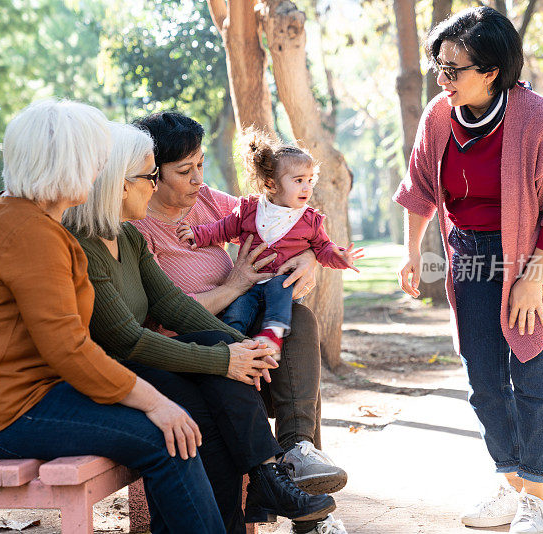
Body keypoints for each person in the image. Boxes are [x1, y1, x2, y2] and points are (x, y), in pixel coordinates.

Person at [0, 99, 224, 534]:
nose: (100, 170)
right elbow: (69, 349)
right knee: (167, 437)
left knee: (175, 427)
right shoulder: (30, 232)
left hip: (35, 396)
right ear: (67, 164)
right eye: (94, 159)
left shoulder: (26, 216)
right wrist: (155, 401)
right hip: (5, 415)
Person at [61, 121, 336, 533]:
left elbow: (172, 302)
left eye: (199, 166)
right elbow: (131, 338)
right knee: (208, 402)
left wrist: (240, 346)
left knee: (283, 330)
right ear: (118, 183)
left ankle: (284, 464)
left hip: (175, 352)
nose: (154, 186)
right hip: (131, 367)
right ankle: (268, 479)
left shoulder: (129, 238)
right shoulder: (109, 238)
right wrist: (225, 352)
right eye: (151, 176)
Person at [393, 7, 543, 534]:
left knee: (535, 379)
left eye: (453, 69)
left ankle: (537, 498)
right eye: (439, 65)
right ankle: (509, 483)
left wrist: (531, 279)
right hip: (470, 255)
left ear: (492, 71)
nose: (441, 78)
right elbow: (419, 189)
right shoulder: (438, 115)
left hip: (536, 258)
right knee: (484, 379)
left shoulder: (537, 118)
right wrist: (413, 251)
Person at [132, 112, 349, 534]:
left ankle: (298, 453)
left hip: (245, 344)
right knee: (288, 365)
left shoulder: (209, 201)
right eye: (185, 170)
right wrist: (235, 285)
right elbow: (161, 316)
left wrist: (309, 258)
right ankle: (306, 503)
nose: (199, 178)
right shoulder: (138, 228)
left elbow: (281, 224)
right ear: (151, 176)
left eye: (199, 164)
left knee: (297, 323)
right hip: (193, 356)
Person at [176, 129, 363, 358]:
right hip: (249, 283)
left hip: (282, 284)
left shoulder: (309, 220)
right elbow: (223, 229)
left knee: (279, 287)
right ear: (271, 184)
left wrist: (340, 257)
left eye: (309, 180)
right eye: (298, 181)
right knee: (237, 310)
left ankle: (273, 336)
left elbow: (323, 248)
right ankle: (234, 346)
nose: (307, 187)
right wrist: (197, 234)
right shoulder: (249, 210)